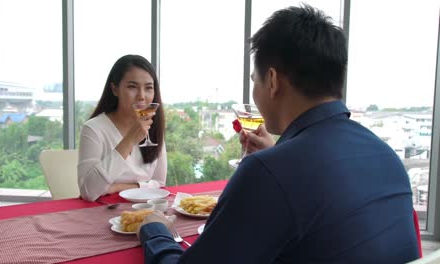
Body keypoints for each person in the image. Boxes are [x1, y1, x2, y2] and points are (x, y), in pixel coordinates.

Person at [137, 4, 419, 264]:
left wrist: (155, 229)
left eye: (254, 80)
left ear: (272, 80)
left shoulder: (267, 172)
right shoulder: (386, 157)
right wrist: (276, 156)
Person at [78, 55, 166, 202]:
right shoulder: (94, 129)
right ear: (114, 89)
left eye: (149, 88)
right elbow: (89, 191)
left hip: (146, 211)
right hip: (102, 214)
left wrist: (117, 187)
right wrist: (129, 140)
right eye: (132, 87)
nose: (142, 96)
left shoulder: (153, 127)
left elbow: (160, 184)